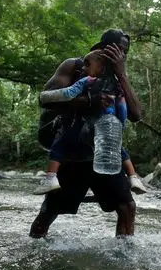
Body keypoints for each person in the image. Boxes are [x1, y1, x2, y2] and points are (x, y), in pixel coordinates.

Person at [29, 29, 142, 238]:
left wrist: (122, 74)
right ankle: (35, 254)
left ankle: (124, 259)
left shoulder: (118, 78)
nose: (122, 54)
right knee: (49, 211)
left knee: (127, 207)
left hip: (105, 153)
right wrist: (88, 101)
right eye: (118, 48)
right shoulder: (76, 66)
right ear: (103, 47)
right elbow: (45, 99)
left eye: (125, 51)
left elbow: (135, 114)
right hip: (72, 154)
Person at [33, 49, 147, 195]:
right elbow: (122, 106)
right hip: (105, 128)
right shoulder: (116, 85)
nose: (83, 68)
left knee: (60, 144)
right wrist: (120, 123)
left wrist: (78, 98)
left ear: (101, 68)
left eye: (87, 65)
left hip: (85, 128)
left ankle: (50, 178)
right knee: (119, 150)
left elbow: (67, 94)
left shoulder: (87, 81)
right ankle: (133, 177)